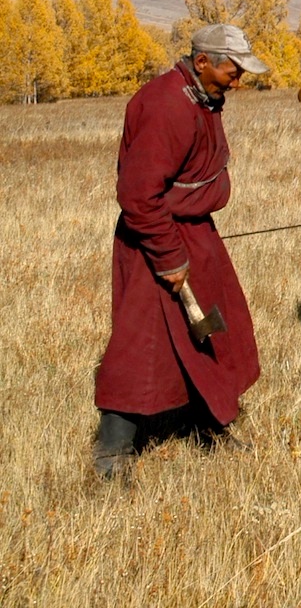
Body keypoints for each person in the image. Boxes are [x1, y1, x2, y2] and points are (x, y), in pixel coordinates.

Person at [93, 24, 267, 480]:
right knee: (141, 344)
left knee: (207, 333)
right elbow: (137, 195)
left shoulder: (200, 97)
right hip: (156, 239)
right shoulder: (169, 105)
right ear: (204, 60)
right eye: (233, 68)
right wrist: (169, 256)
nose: (238, 79)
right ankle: (112, 454)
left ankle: (206, 424)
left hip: (193, 234)